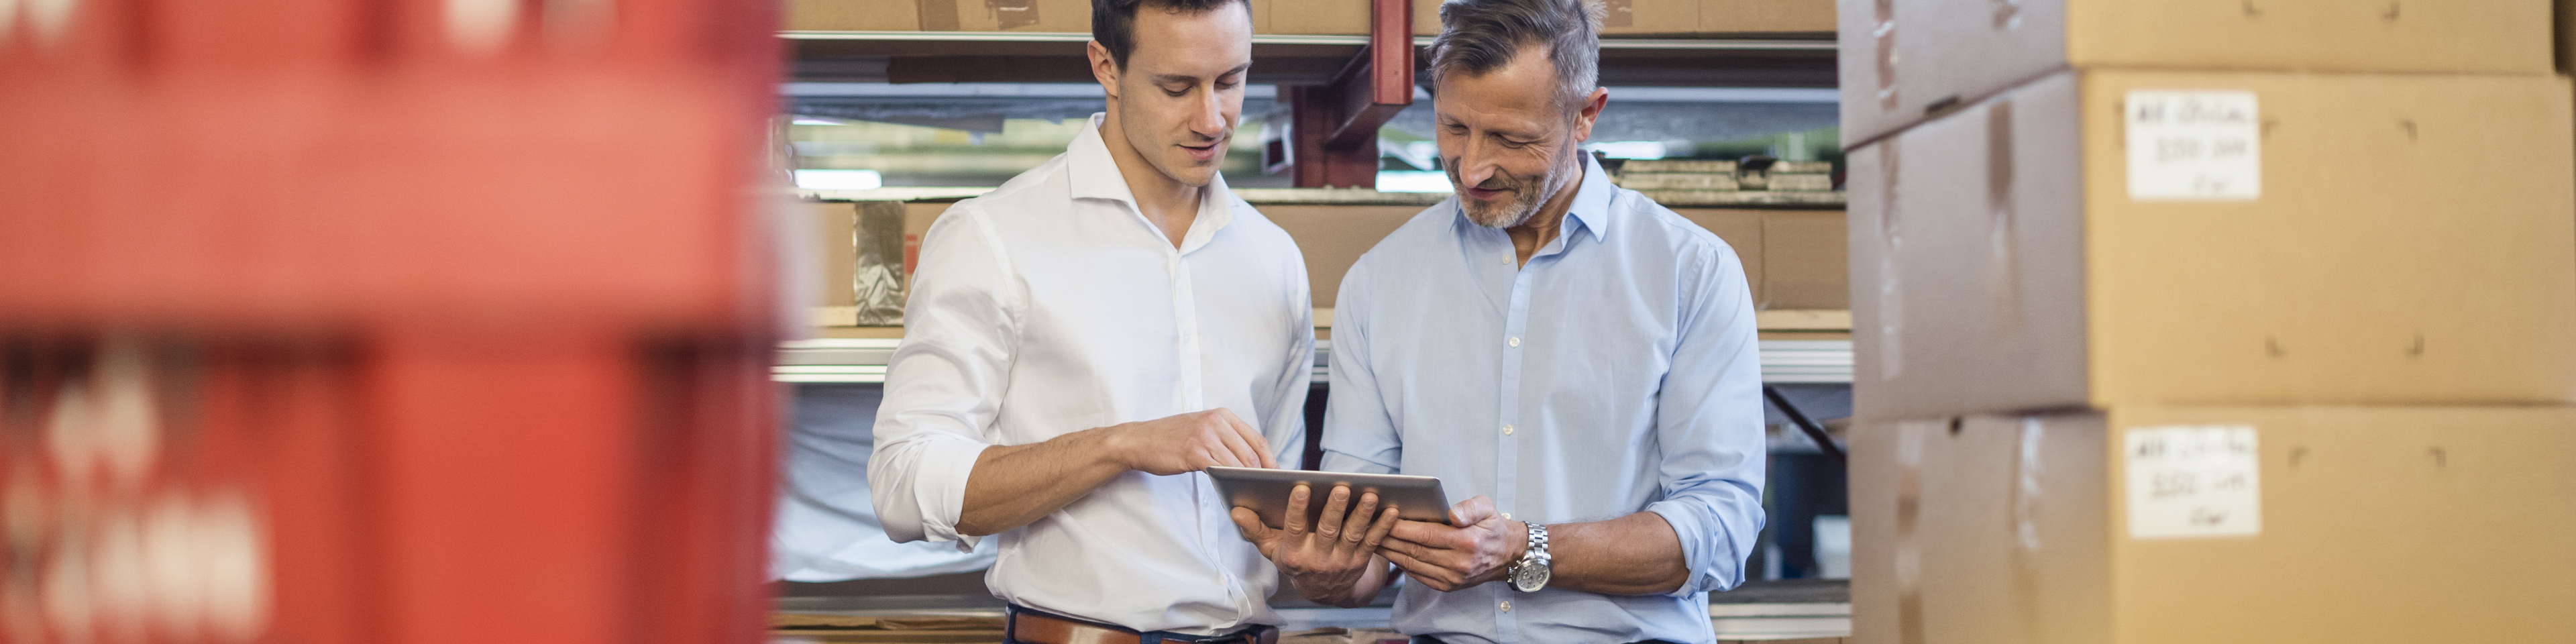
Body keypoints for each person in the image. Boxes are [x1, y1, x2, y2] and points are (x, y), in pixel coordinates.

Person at [1230, 0, 1768, 642]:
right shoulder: (1380, 282)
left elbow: (1723, 526)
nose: (1475, 167)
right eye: (1454, 128)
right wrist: (1328, 569)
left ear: (1586, 115)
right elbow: (1366, 554)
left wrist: (1522, 548)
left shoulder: (1689, 271)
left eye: (1512, 139)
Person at [867, 0, 1312, 642]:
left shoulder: (1274, 258)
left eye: (1231, 80)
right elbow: (903, 486)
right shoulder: (993, 237)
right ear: (1105, 65)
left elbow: (1277, 503)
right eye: (1177, 86)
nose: (1212, 118)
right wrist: (1120, 444)